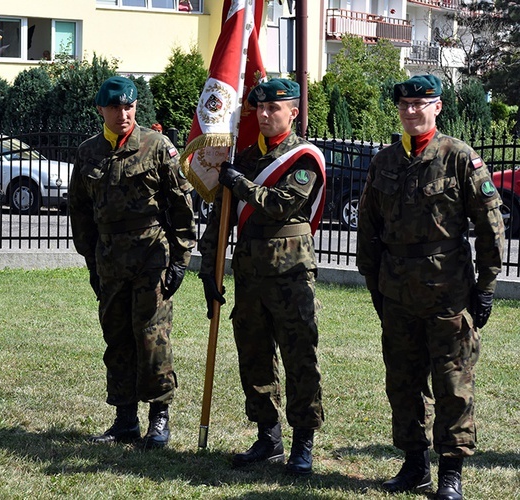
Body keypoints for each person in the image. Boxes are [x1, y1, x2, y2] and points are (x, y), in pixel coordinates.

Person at [357, 74, 504, 499]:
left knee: (452, 382)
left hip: (448, 292)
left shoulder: (459, 157)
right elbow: (368, 226)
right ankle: (414, 465)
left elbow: (490, 228)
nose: (411, 111)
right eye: (404, 104)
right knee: (403, 381)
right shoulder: (383, 161)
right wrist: (373, 284)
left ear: (437, 107)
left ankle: (450, 474)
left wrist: (487, 286)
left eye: (421, 104)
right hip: (397, 292)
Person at [199, 78, 326, 474]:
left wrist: (238, 183)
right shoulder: (246, 157)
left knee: (298, 357)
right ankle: (268, 438)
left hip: (290, 274)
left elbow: (281, 204)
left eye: (276, 108)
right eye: (261, 109)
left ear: (294, 112)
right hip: (250, 273)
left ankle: (303, 442)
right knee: (254, 356)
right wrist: (209, 269)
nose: (266, 115)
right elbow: (220, 220)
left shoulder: (302, 158)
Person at [69, 76, 197, 449]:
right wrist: (91, 261)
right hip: (109, 259)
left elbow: (182, 207)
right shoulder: (89, 152)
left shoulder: (157, 146)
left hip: (150, 257)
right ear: (101, 110)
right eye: (114, 107)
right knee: (117, 337)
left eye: (128, 106)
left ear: (135, 107)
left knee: (153, 338)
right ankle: (124, 418)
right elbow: (79, 210)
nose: (122, 114)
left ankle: (159, 416)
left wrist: (180, 260)